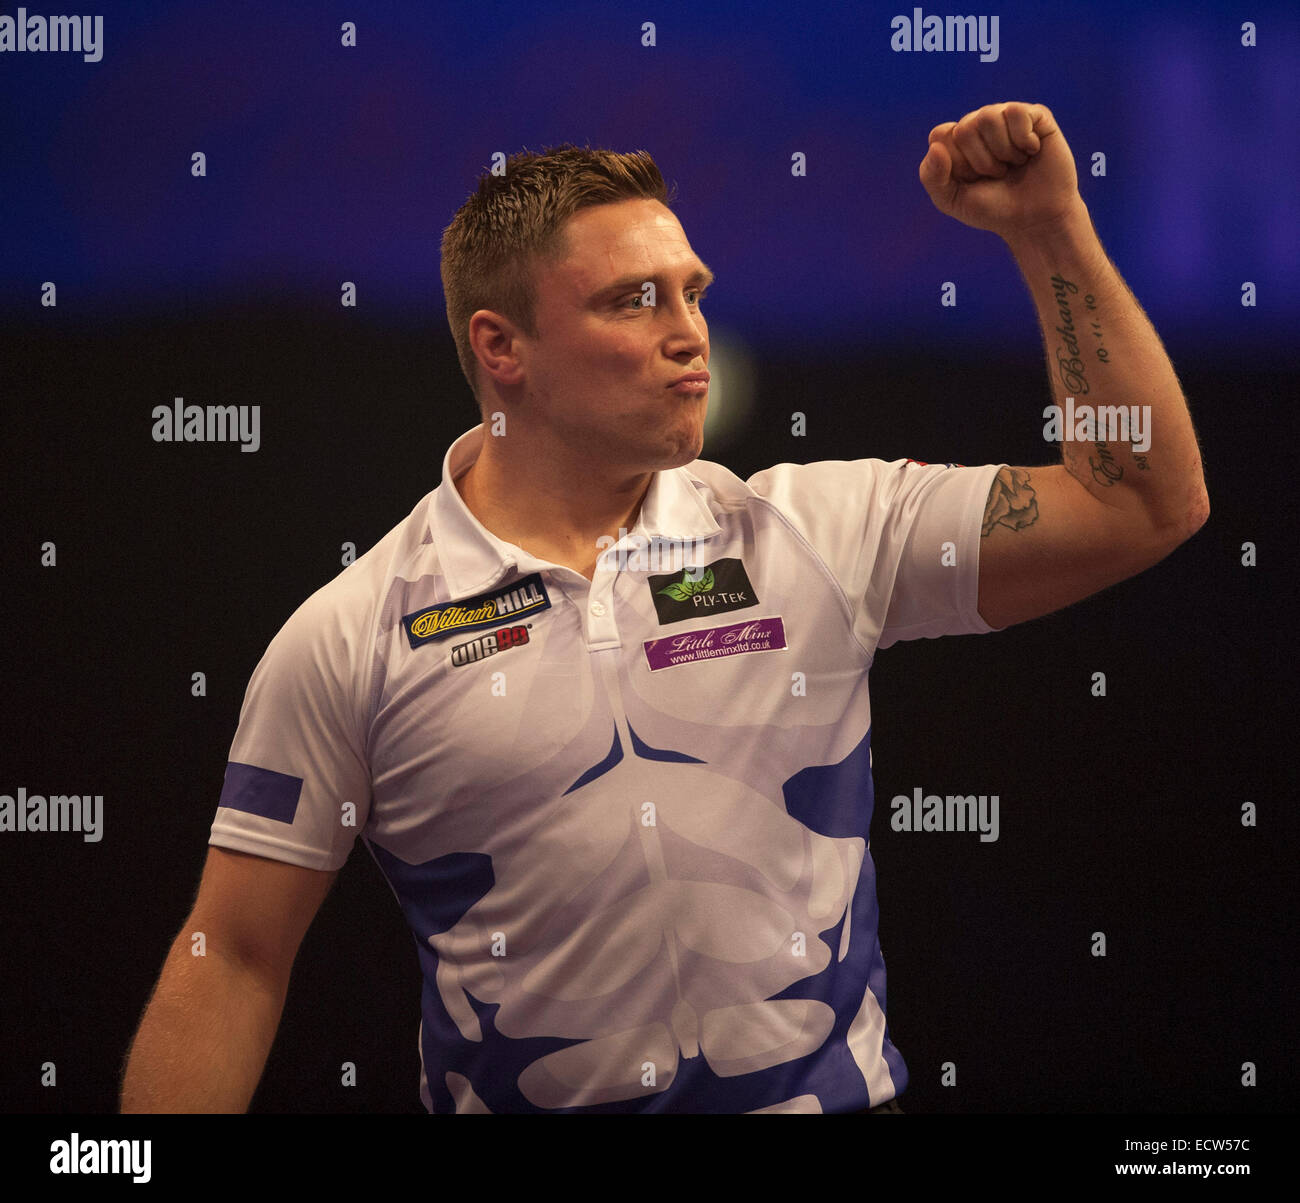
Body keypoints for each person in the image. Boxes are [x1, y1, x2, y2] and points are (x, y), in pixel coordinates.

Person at [120, 102, 1208, 1114]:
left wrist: (1050, 232)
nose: (687, 330)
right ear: (502, 349)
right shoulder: (349, 634)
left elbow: (1140, 500)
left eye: (692, 291)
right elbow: (236, 959)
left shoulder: (820, 532)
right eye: (632, 300)